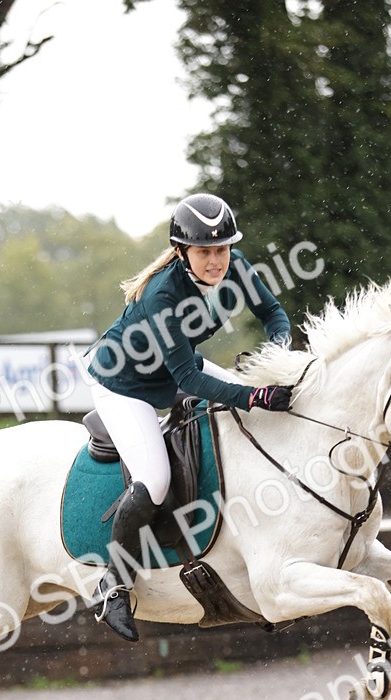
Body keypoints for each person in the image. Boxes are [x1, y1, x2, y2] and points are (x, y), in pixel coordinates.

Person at [85, 192, 293, 642]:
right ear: (182, 252)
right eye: (205, 252)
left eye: (222, 249)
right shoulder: (163, 294)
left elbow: (274, 314)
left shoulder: (236, 268)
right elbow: (191, 381)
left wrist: (278, 355)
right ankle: (114, 583)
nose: (217, 261)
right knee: (154, 481)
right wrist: (255, 393)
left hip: (176, 369)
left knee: (246, 421)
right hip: (125, 387)